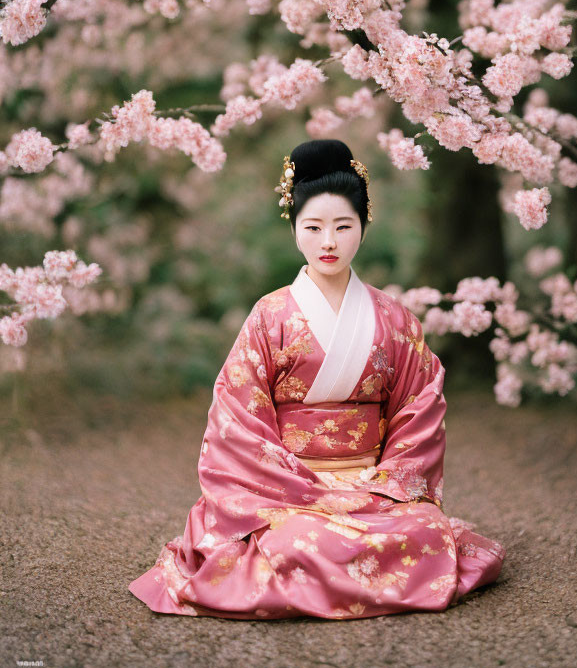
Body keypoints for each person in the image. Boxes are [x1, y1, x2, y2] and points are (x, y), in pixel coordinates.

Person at [128, 138, 506, 619]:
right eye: (314, 227)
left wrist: (382, 485)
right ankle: (342, 563)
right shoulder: (270, 316)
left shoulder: (395, 320)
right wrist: (304, 487)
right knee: (293, 538)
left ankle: (333, 564)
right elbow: (238, 415)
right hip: (288, 489)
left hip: (374, 489)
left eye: (343, 226)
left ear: (364, 229)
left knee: (423, 529)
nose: (329, 241)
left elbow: (419, 408)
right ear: (295, 232)